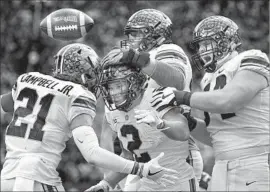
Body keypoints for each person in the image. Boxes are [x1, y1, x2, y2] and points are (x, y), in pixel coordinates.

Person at [0, 43, 178, 191]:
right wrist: (142, 169)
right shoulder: (78, 94)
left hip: (7, 177)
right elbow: (92, 154)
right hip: (38, 180)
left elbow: (4, 104)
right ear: (84, 73)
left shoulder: (27, 79)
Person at [106, 8, 204, 188]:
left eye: (136, 33)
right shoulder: (136, 60)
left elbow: (176, 79)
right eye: (129, 35)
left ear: (155, 34)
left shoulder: (166, 50)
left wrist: (140, 60)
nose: (130, 40)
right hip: (141, 151)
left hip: (172, 150)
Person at [172, 15, 270, 191]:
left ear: (229, 41)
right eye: (200, 45)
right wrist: (189, 122)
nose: (202, 50)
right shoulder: (208, 79)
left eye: (207, 43)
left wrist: (183, 97)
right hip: (221, 166)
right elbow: (216, 137)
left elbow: (230, 100)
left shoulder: (251, 58)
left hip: (254, 162)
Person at [86, 48, 199, 191]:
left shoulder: (156, 97)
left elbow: (183, 132)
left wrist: (160, 123)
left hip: (177, 182)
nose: (113, 93)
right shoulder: (114, 113)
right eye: (110, 87)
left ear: (135, 82)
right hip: (147, 185)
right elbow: (129, 156)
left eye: (119, 85)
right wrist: (107, 183)